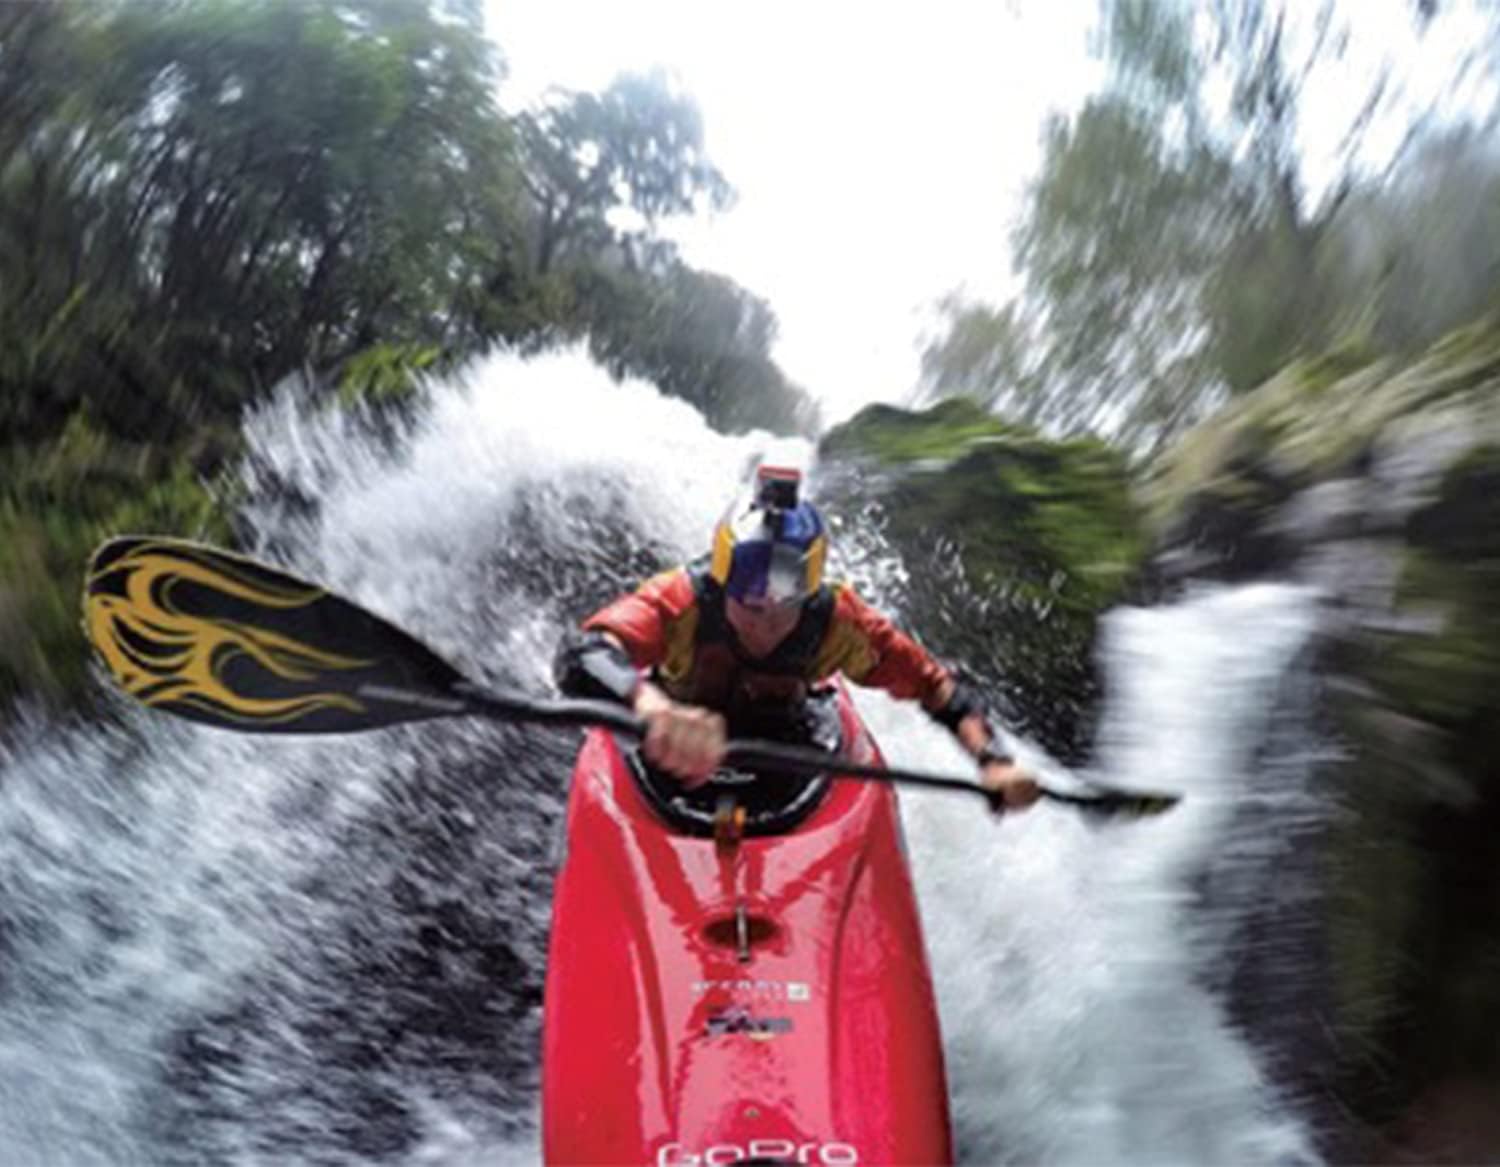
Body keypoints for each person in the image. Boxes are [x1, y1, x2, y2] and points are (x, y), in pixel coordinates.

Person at [554, 465, 1040, 813]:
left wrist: (992, 759)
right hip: (670, 757)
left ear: (808, 590)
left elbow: (936, 687)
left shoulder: (841, 624)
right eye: (745, 589)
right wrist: (650, 705)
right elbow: (583, 653)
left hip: (784, 754)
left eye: (784, 594)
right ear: (721, 574)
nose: (763, 610)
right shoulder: (679, 601)